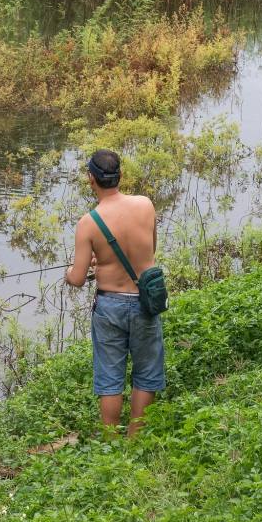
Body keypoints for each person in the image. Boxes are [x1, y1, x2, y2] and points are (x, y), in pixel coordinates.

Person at [64, 149, 164, 436]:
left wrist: (70, 273)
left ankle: (110, 442)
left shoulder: (88, 223)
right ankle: (135, 437)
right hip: (145, 301)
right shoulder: (145, 205)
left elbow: (78, 278)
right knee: (146, 372)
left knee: (110, 374)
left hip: (110, 307)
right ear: (120, 176)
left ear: (91, 179)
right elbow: (149, 250)